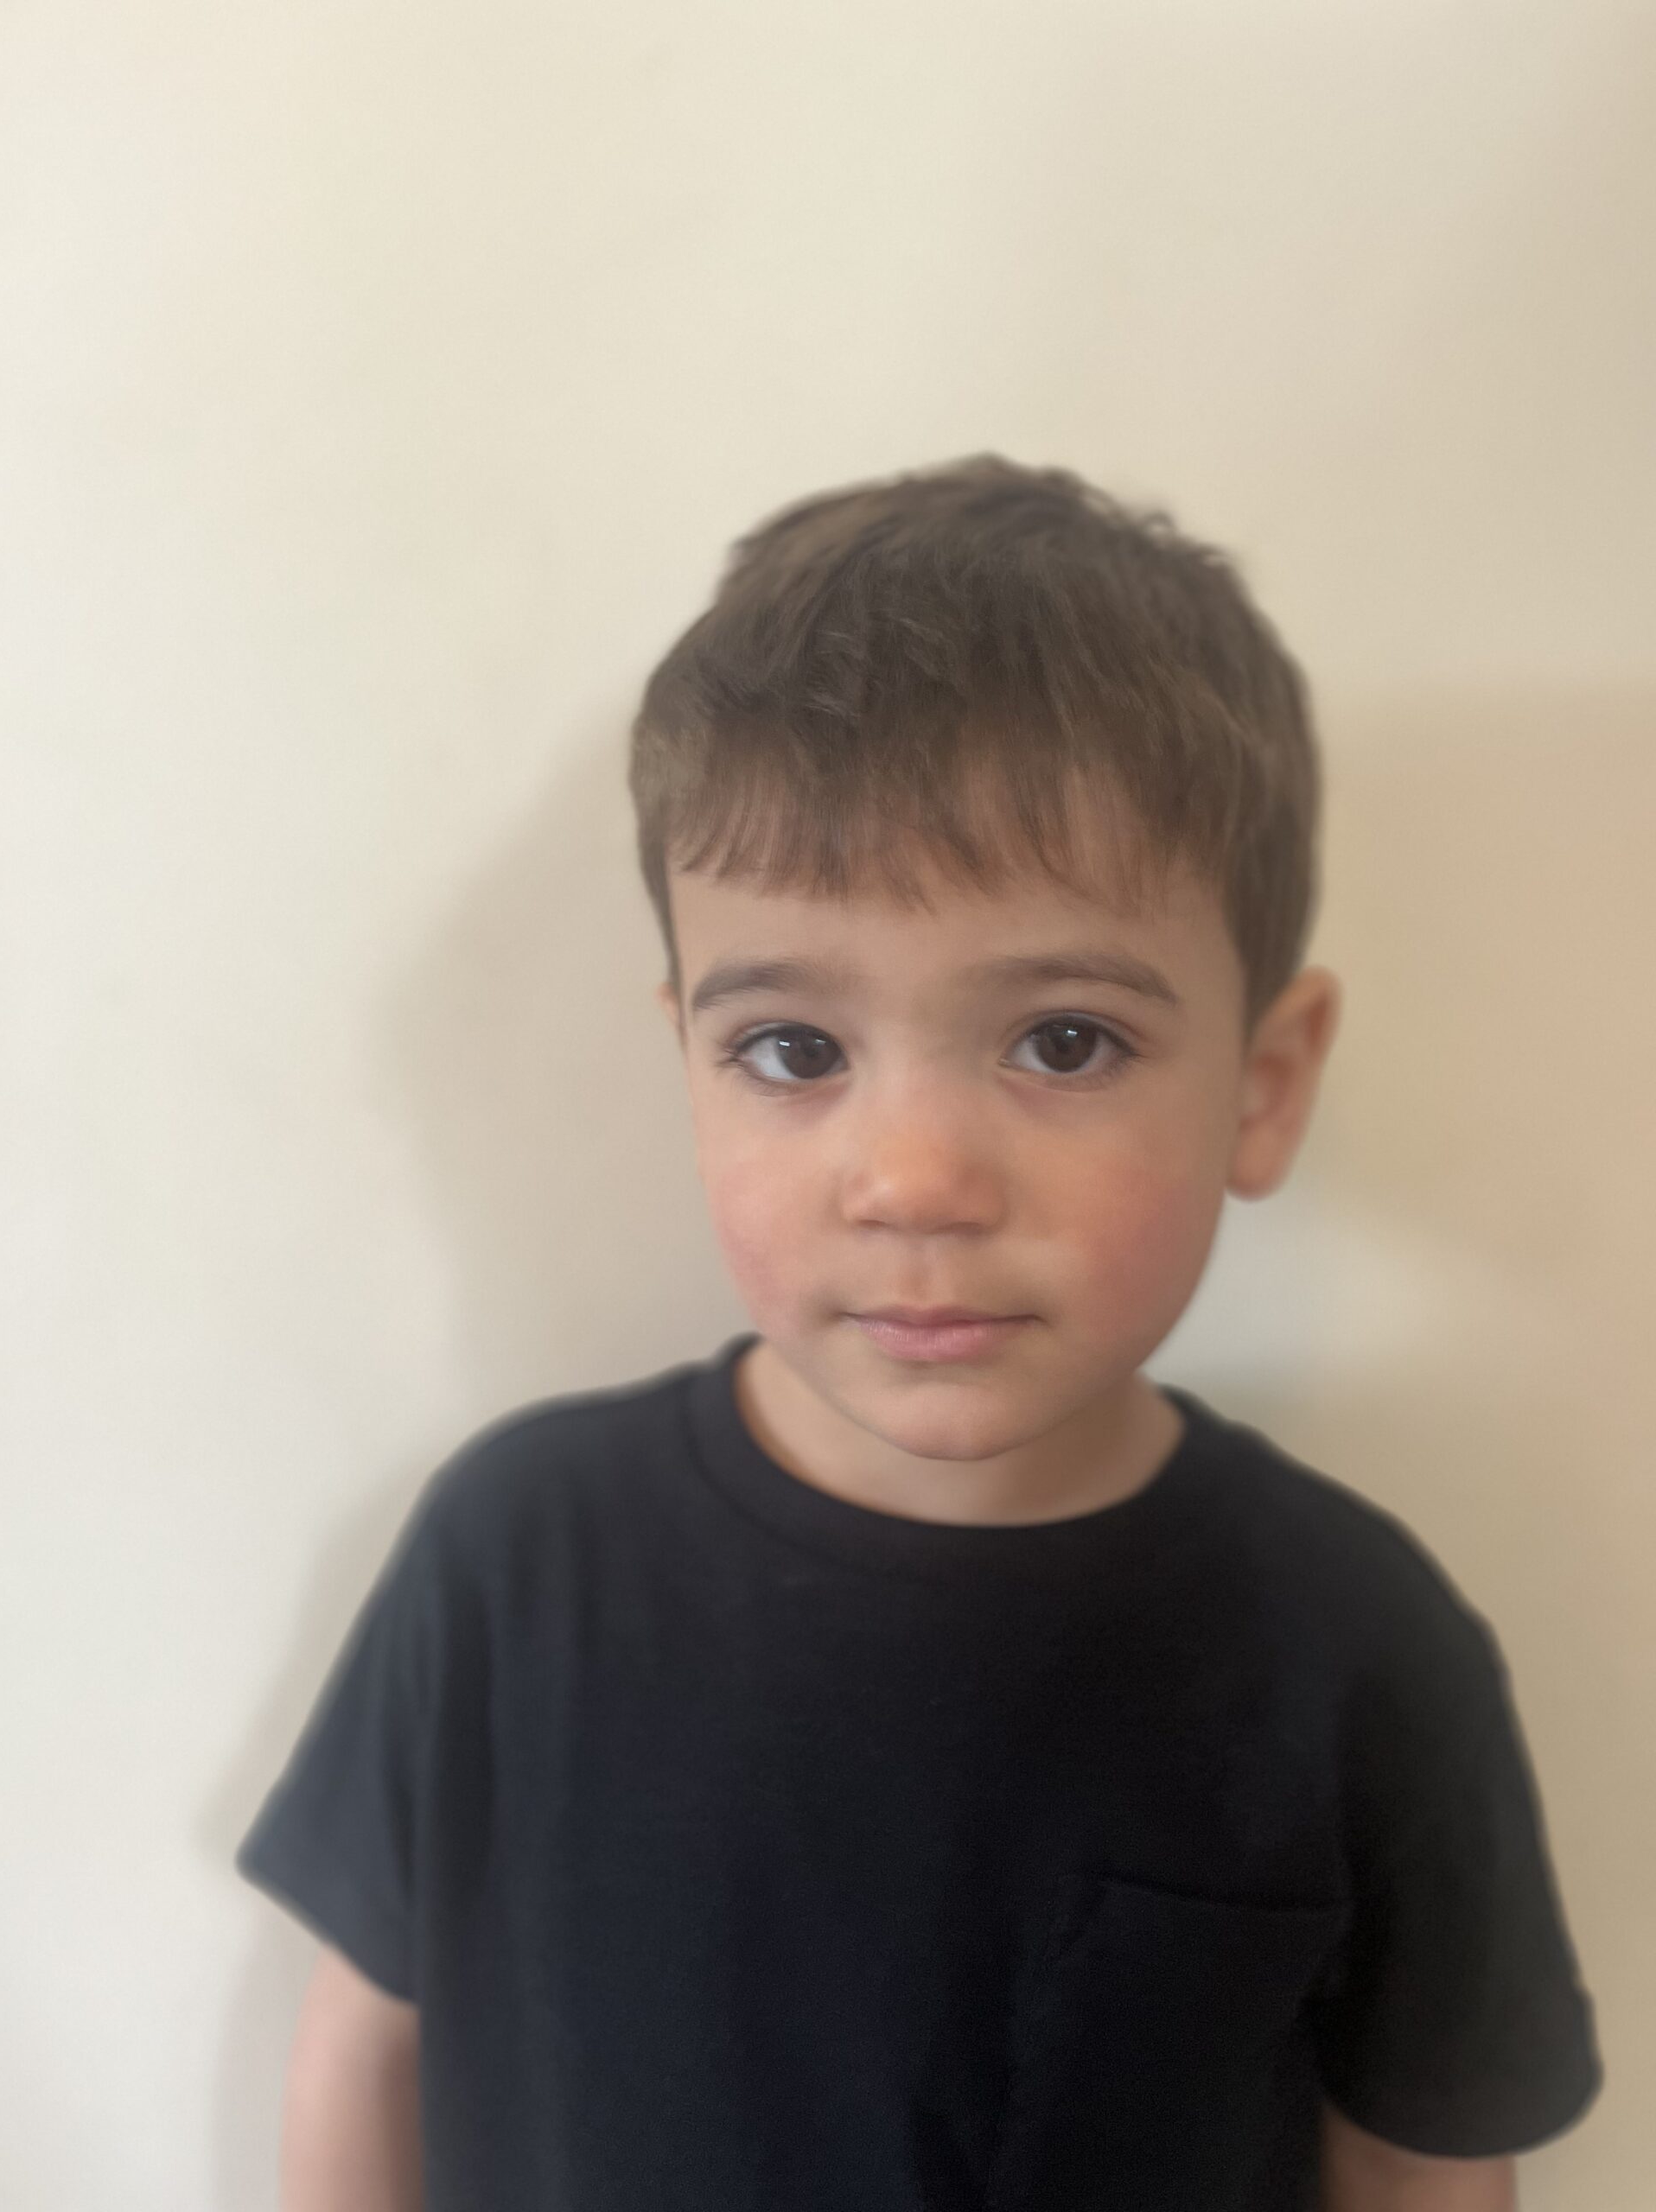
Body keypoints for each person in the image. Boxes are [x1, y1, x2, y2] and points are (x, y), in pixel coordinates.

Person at [239, 456, 1603, 2211]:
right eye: (793, 1050)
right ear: (689, 1061)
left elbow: (1425, 2170)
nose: (915, 1181)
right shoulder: (513, 1557)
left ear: (1264, 1086)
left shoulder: (1359, 1648)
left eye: (1064, 1041)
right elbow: (363, 2051)